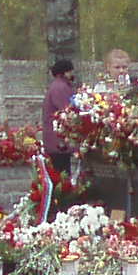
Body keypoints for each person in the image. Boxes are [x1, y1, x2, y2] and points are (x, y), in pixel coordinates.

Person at [41, 58, 82, 188]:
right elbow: (67, 109)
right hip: (58, 140)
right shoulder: (61, 88)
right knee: (62, 174)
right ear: (64, 72)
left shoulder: (57, 86)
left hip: (55, 138)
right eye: (70, 71)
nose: (72, 74)